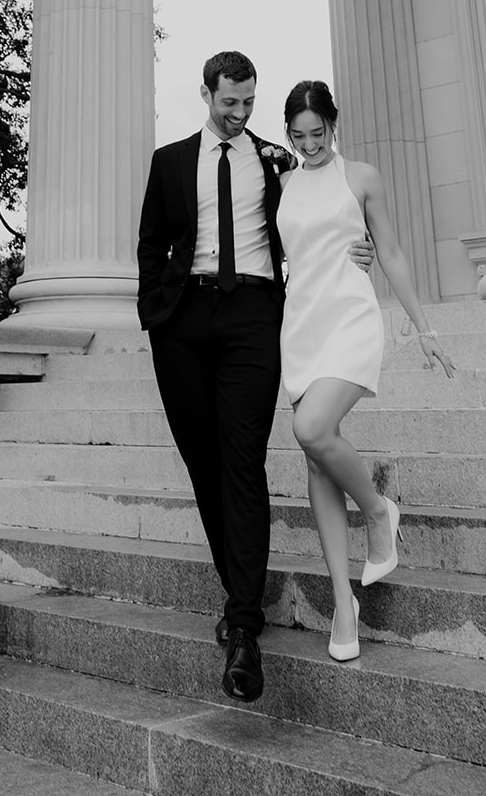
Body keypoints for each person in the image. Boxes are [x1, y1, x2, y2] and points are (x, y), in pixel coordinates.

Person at [137, 50, 374, 703]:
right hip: (182, 320)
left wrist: (366, 246)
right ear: (207, 93)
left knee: (241, 461)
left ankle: (243, 624)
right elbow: (150, 240)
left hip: (250, 317)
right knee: (203, 461)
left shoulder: (276, 162)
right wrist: (152, 312)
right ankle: (237, 591)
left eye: (247, 103)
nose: (238, 113)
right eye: (228, 102)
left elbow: (326, 209)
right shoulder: (168, 162)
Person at [277, 78, 455, 664]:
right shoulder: (281, 185)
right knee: (317, 458)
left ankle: (380, 511)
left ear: (335, 125)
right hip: (301, 325)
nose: (310, 146)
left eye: (319, 134)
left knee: (312, 430)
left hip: (351, 317)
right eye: (299, 137)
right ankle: (341, 602)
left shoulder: (363, 177)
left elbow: (393, 251)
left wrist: (423, 329)